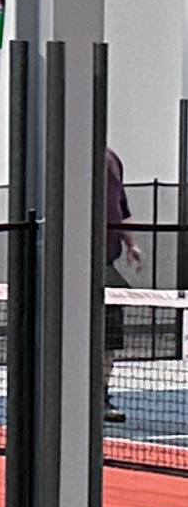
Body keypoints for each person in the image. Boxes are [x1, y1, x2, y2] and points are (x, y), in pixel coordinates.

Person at [104, 147, 145, 424]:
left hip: (107, 266)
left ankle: (101, 396)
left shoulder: (113, 159)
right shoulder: (70, 156)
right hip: (76, 263)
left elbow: (122, 208)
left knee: (109, 339)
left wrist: (132, 245)